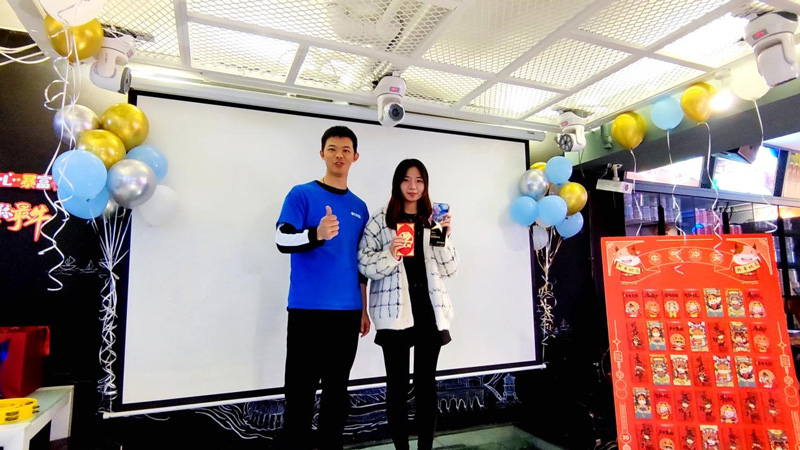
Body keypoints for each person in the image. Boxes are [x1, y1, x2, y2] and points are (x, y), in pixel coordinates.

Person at [275, 125, 371, 450]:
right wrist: (316, 234)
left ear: (355, 157)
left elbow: (360, 263)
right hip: (307, 310)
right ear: (322, 154)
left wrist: (364, 309)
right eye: (332, 149)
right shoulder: (301, 194)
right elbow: (281, 239)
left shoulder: (360, 207)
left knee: (336, 394)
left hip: (347, 314)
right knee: (299, 393)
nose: (339, 155)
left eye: (346, 150)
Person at [358, 159, 458, 450]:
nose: (413, 186)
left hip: (429, 311)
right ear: (397, 183)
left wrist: (443, 237)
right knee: (397, 387)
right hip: (394, 313)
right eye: (406, 179)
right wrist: (391, 253)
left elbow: (450, 269)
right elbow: (364, 264)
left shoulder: (433, 220)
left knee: (427, 386)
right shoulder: (381, 219)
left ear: (425, 185)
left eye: (419, 180)